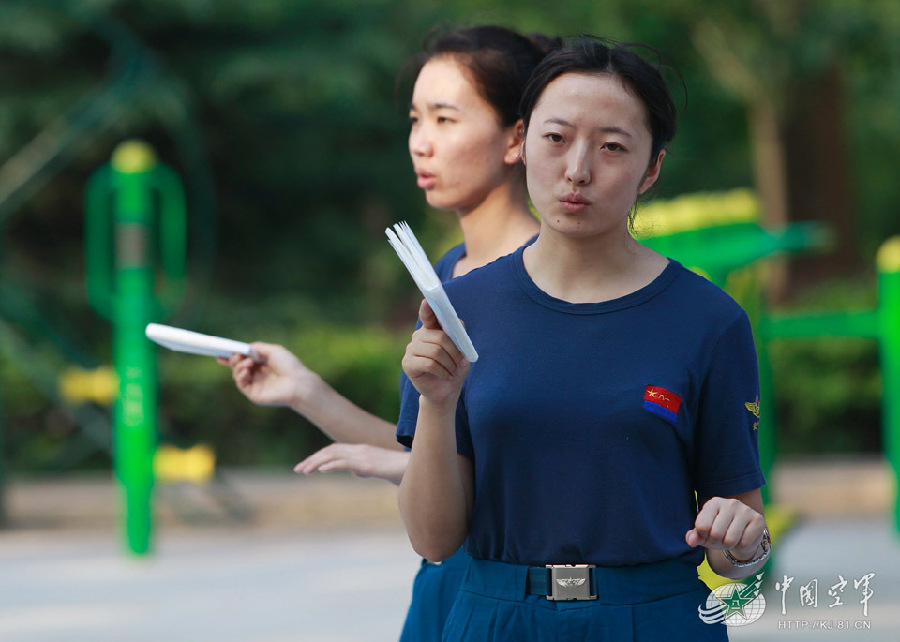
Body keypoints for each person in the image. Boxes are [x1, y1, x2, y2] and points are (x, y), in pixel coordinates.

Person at [398, 37, 769, 640]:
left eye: (612, 147)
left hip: (655, 615)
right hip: (497, 615)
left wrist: (744, 541)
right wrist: (438, 404)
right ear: (519, 144)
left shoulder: (709, 320)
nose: (577, 170)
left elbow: (737, 545)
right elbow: (433, 539)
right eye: (556, 138)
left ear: (652, 168)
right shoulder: (459, 310)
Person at [220, 25, 559, 641]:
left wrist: (399, 468)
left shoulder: (550, 281)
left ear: (517, 138)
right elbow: (428, 452)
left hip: (520, 592)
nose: (421, 144)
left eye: (445, 120)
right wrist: (304, 391)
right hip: (442, 582)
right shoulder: (448, 275)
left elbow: (557, 471)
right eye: (415, 119)